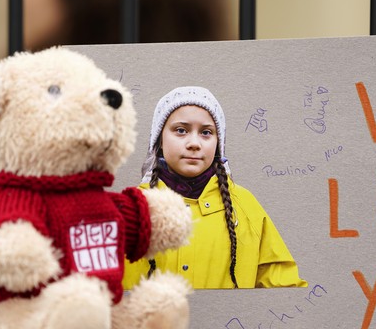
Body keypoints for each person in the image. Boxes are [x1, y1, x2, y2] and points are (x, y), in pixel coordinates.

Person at [123, 86, 307, 289]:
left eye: (206, 132)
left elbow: (286, 293)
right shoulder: (127, 212)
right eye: (181, 130)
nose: (194, 143)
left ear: (218, 144)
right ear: (159, 140)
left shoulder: (245, 207)